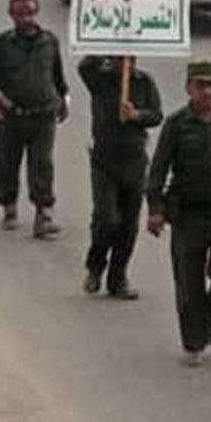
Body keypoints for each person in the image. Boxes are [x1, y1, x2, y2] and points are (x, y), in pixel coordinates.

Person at [147, 60, 211, 365]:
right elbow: (159, 168)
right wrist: (156, 209)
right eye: (200, 86)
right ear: (188, 88)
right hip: (188, 215)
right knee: (188, 284)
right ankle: (194, 341)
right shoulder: (176, 125)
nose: (207, 92)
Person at [0, 0, 68, 236]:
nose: (26, 19)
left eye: (30, 13)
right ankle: (9, 206)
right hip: (11, 116)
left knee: (42, 164)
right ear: (12, 16)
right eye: (21, 14)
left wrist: (64, 99)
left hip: (43, 115)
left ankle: (44, 214)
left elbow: (58, 77)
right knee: (5, 163)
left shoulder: (49, 42)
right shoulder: (1, 44)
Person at [77, 56, 164, 299]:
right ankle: (95, 267)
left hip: (134, 161)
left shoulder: (144, 81)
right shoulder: (100, 78)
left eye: (130, 55)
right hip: (104, 161)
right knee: (106, 219)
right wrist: (105, 48)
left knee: (128, 225)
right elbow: (84, 67)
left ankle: (118, 278)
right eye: (119, 53)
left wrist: (136, 115)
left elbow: (157, 114)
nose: (125, 59)